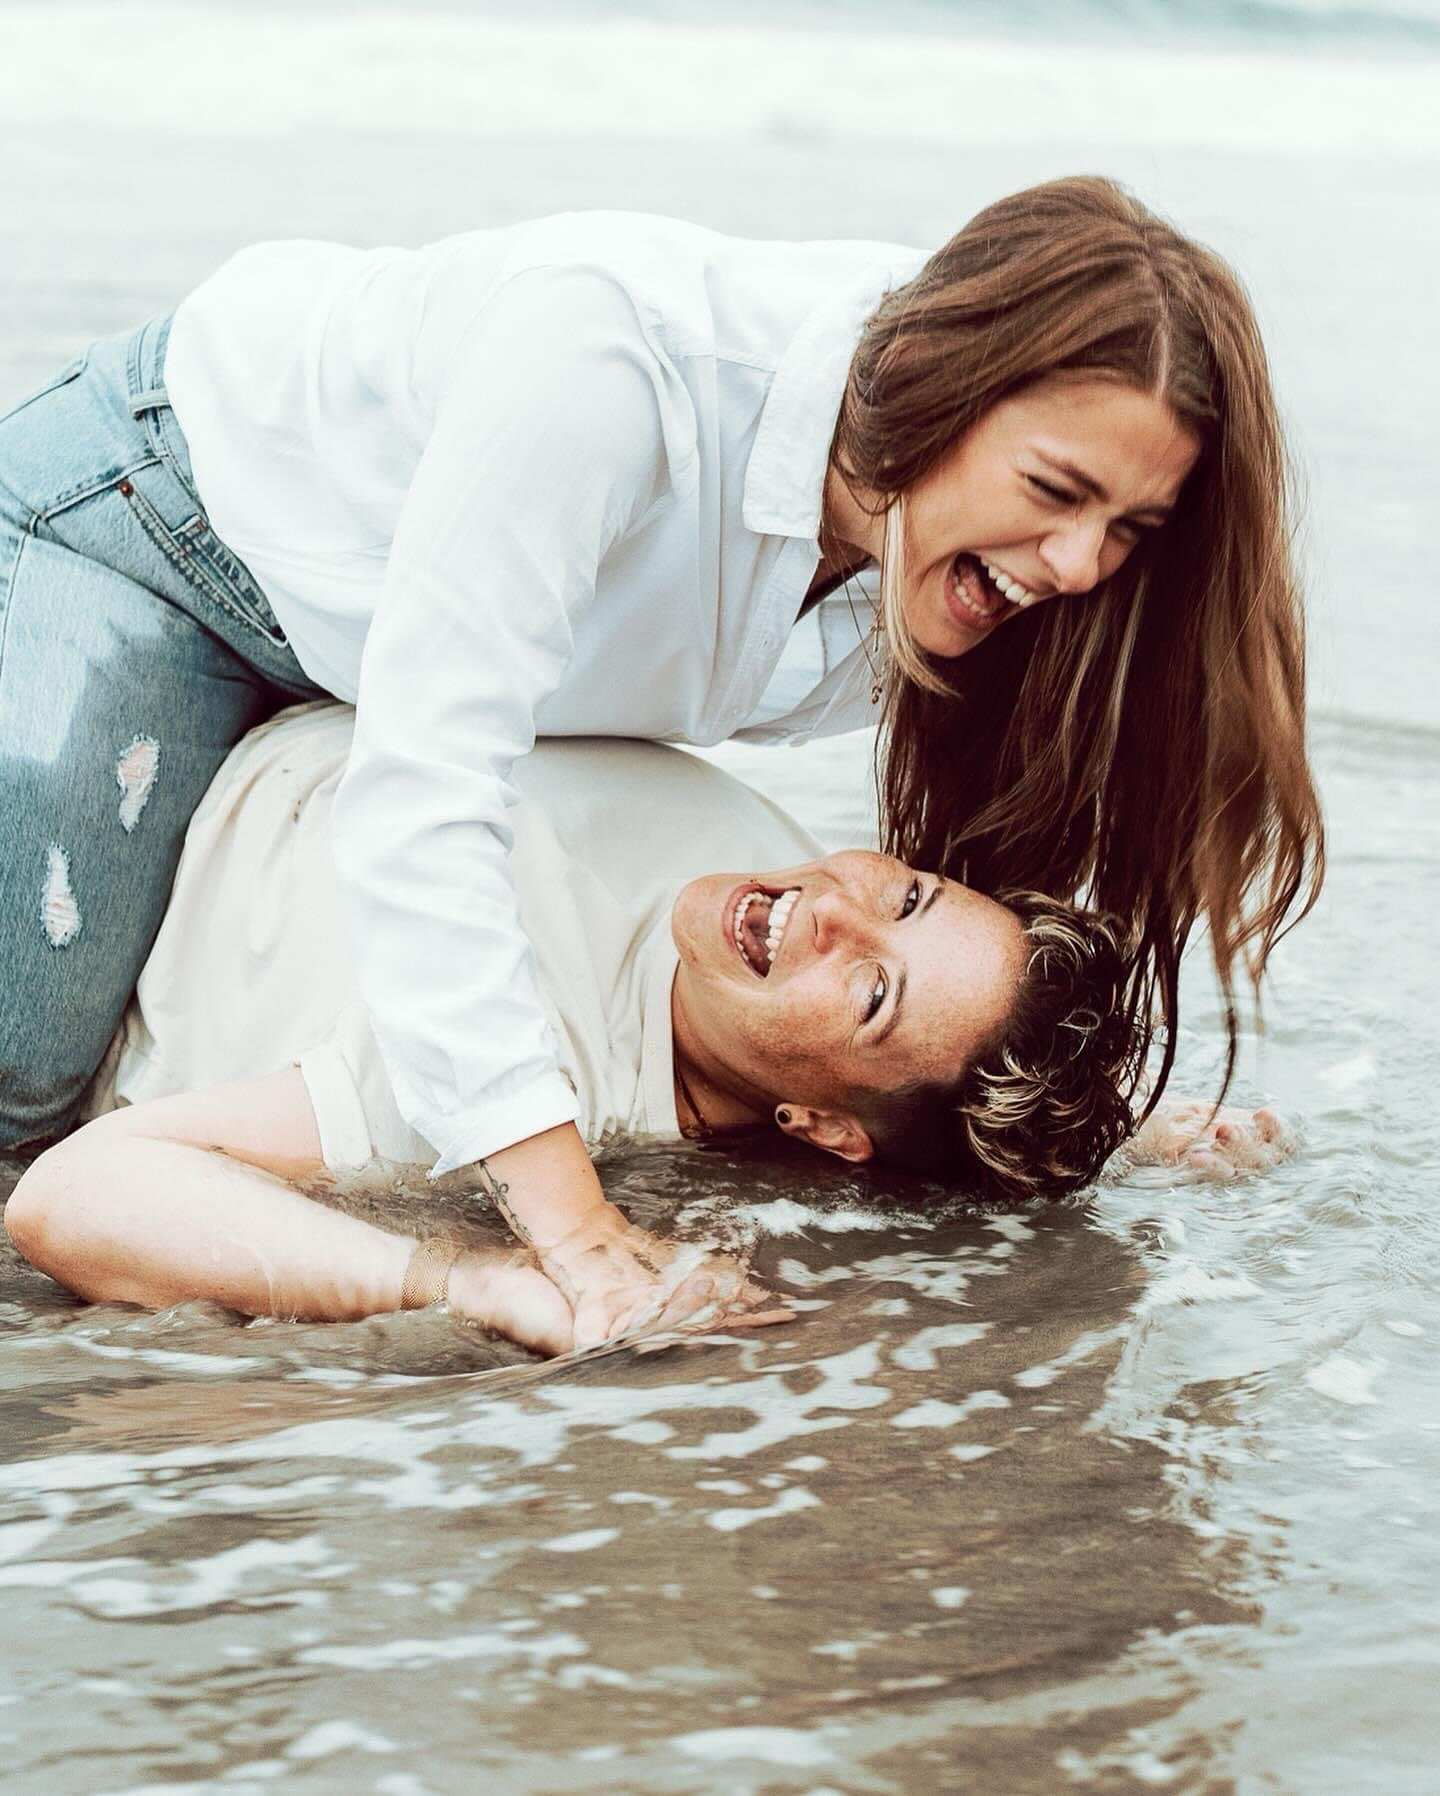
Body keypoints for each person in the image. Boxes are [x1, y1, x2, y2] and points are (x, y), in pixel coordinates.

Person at [0, 177, 1323, 1343]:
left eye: (1129, 526)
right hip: (159, 525)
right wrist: (565, 1240)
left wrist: (1044, 1122)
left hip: (371, 667)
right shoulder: (612, 370)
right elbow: (427, 793)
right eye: (1056, 492)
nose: (1083, 565)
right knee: (22, 1091)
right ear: (936, 374)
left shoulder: (955, 561)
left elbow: (932, 1008)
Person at [5, 706, 1286, 1354]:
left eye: (873, 989)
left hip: (168, 810)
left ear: (824, 1125)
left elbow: (68, 1194)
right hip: (136, 786)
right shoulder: (709, 908)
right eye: (908, 893)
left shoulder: (535, 1042)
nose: (830, 908)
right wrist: (471, 1279)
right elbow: (67, 1196)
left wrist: (1111, 1137)